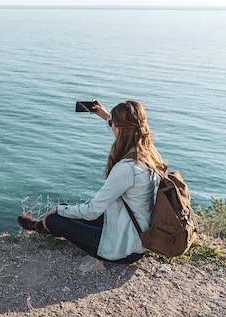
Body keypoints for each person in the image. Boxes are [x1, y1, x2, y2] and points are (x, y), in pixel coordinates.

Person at [17, 100, 167, 264]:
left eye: (114, 124)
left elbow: (93, 211)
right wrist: (105, 116)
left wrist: (58, 209)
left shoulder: (126, 168)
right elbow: (126, 131)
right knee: (68, 210)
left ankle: (44, 226)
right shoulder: (148, 151)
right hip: (135, 234)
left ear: (119, 128)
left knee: (57, 217)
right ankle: (44, 225)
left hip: (123, 249)